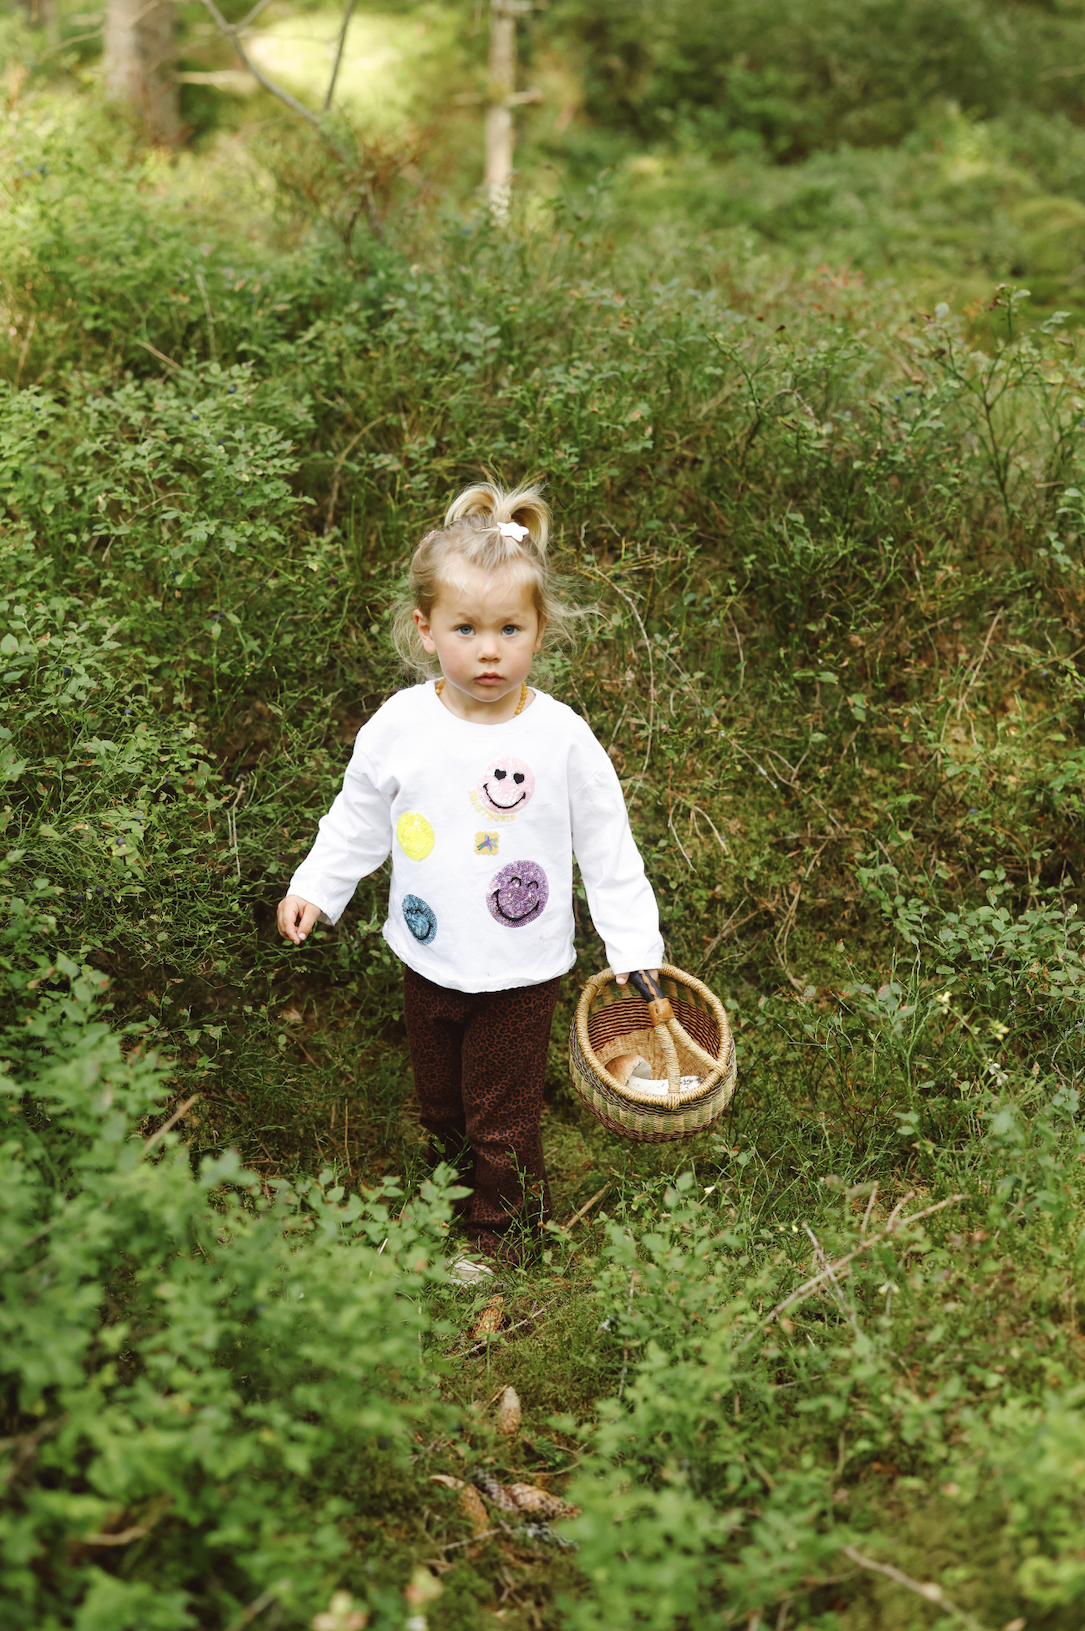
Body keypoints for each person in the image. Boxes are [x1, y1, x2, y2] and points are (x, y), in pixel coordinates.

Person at [277, 481, 663, 1276]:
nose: (488, 651)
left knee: (500, 1108)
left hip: (521, 969)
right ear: (425, 630)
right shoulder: (400, 726)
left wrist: (632, 946)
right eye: (466, 629)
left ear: (538, 629)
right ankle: (453, 1193)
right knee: (441, 1101)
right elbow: (356, 817)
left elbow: (607, 846)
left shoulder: (559, 738)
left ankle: (503, 1231)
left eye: (509, 629)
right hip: (427, 950)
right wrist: (317, 885)